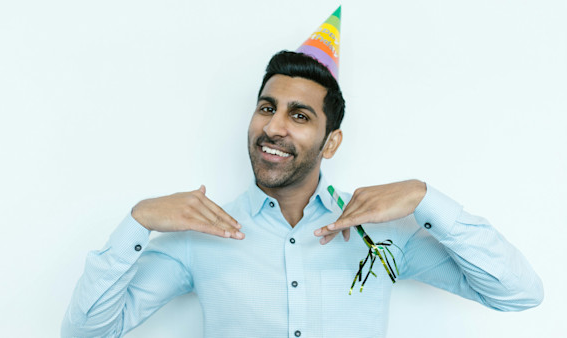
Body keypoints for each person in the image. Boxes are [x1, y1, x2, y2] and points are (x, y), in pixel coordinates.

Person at [62, 9, 543, 338]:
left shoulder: (384, 237)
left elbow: (518, 294)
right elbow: (87, 330)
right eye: (266, 108)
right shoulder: (201, 235)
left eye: (299, 115)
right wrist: (138, 220)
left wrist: (425, 197)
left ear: (331, 141)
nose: (272, 127)